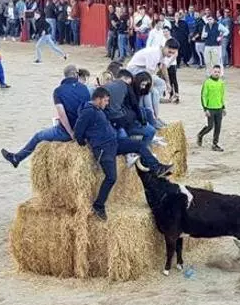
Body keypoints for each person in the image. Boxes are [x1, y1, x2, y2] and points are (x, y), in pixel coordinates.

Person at [74, 87, 172, 221]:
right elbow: (78, 132)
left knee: (139, 145)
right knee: (111, 177)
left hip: (114, 143)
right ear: (98, 99)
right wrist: (84, 143)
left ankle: (157, 168)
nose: (107, 103)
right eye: (106, 101)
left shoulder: (98, 110)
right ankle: (98, 205)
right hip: (103, 148)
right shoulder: (88, 112)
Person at [1, 65, 89, 168]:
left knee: (38, 136)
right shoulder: (84, 88)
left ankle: (17, 158)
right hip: (85, 130)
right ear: (75, 74)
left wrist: (70, 133)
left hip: (65, 132)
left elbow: (62, 114)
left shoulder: (58, 91)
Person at [127, 38, 180, 127]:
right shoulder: (154, 54)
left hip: (143, 70)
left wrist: (168, 83)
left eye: (173, 53)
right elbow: (148, 75)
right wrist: (150, 88)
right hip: (134, 70)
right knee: (151, 92)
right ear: (165, 47)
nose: (170, 55)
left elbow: (163, 67)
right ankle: (153, 116)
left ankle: (155, 109)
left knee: (161, 83)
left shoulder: (163, 53)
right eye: (170, 52)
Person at [197, 65, 226, 152]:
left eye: (218, 72)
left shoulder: (221, 83)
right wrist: (205, 109)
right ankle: (200, 135)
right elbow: (203, 96)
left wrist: (223, 107)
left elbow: (222, 95)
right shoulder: (207, 82)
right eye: (215, 72)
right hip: (210, 108)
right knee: (210, 126)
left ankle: (215, 144)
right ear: (211, 72)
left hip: (219, 108)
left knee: (218, 127)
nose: (217, 73)